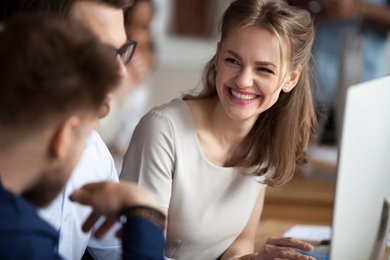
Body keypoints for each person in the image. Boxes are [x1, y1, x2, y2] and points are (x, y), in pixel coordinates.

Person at [121, 0, 317, 259]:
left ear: (290, 78)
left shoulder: (266, 140)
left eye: (264, 69)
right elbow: (143, 256)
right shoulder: (163, 131)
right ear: (218, 57)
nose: (244, 80)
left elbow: (240, 241)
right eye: (233, 60)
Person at [0, 13, 165, 260]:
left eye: (123, 52)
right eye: (102, 51)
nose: (120, 72)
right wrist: (146, 213)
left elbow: (113, 250)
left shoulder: (95, 153)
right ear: (64, 136)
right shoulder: (22, 242)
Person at [289, 0, 390, 143]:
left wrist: (357, 8)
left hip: (363, 87)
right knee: (296, 149)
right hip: (308, 81)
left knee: (357, 151)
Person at [98, 0, 156, 172]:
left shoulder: (139, 77)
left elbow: (126, 143)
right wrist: (119, 95)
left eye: (144, 27)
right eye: (129, 23)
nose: (136, 35)